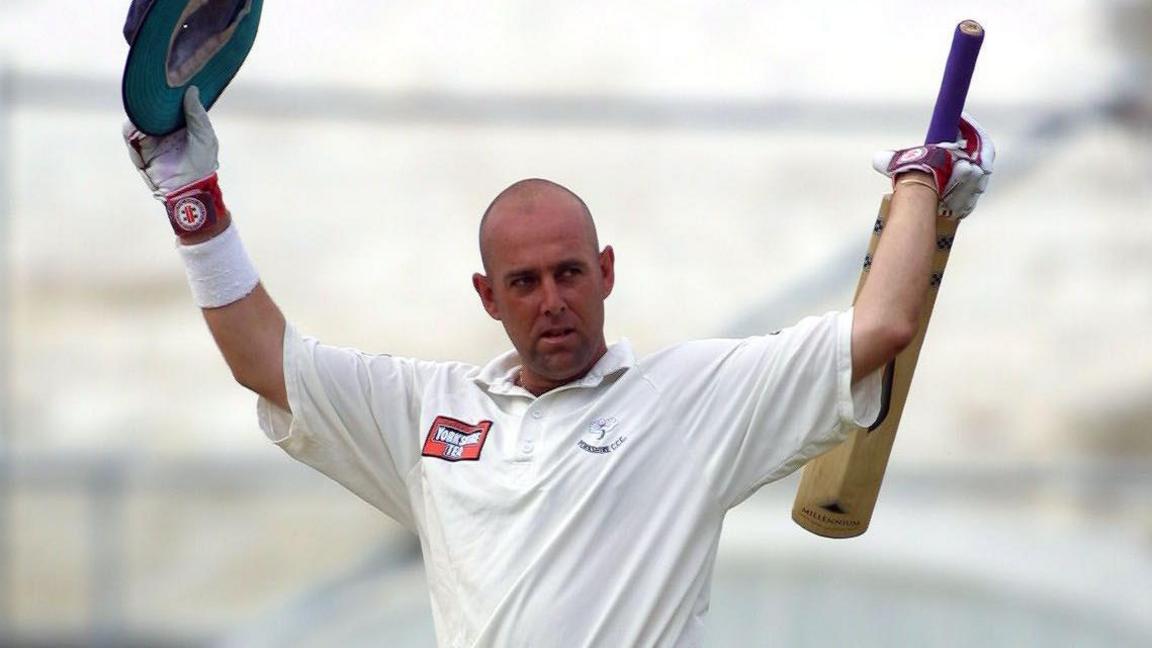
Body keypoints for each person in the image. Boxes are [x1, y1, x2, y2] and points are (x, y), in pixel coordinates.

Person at [124, 88, 993, 647]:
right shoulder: (424, 413)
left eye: (570, 273)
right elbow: (263, 362)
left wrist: (920, 184)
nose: (552, 300)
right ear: (487, 296)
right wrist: (190, 202)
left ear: (606, 272)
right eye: (525, 282)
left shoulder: (691, 399)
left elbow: (881, 326)